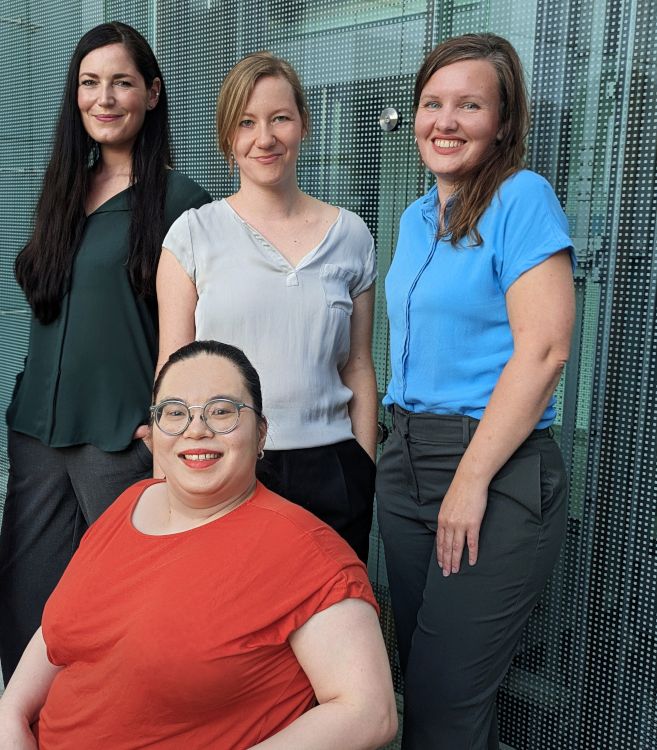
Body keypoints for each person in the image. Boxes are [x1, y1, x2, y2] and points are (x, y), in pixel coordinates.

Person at [0, 340, 397, 750]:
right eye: (175, 413)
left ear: (261, 433)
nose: (196, 429)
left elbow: (369, 712)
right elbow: (58, 631)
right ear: (153, 432)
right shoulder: (133, 502)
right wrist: (9, 717)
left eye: (222, 411)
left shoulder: (308, 551)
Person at [0, 21, 211, 683]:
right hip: (38, 434)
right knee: (24, 604)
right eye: (90, 83)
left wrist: (167, 430)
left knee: (126, 607)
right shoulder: (64, 190)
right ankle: (30, 724)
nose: (104, 97)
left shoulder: (182, 202)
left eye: (121, 82)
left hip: (121, 440)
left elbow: (198, 337)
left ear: (152, 93)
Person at [376, 33, 576, 749]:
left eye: (469, 105)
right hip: (406, 460)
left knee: (442, 707)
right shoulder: (413, 218)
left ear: (502, 121)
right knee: (424, 686)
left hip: (491, 466)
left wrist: (469, 479)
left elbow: (545, 350)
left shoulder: (522, 198)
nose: (445, 121)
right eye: (432, 103)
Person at [157, 52, 378, 564]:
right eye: (246, 122)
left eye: (280, 118)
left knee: (333, 610)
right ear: (227, 137)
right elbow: (172, 369)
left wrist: (363, 467)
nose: (265, 138)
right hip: (226, 465)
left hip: (332, 470)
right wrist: (165, 479)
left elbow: (358, 365)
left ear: (303, 123)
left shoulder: (351, 235)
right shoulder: (193, 234)